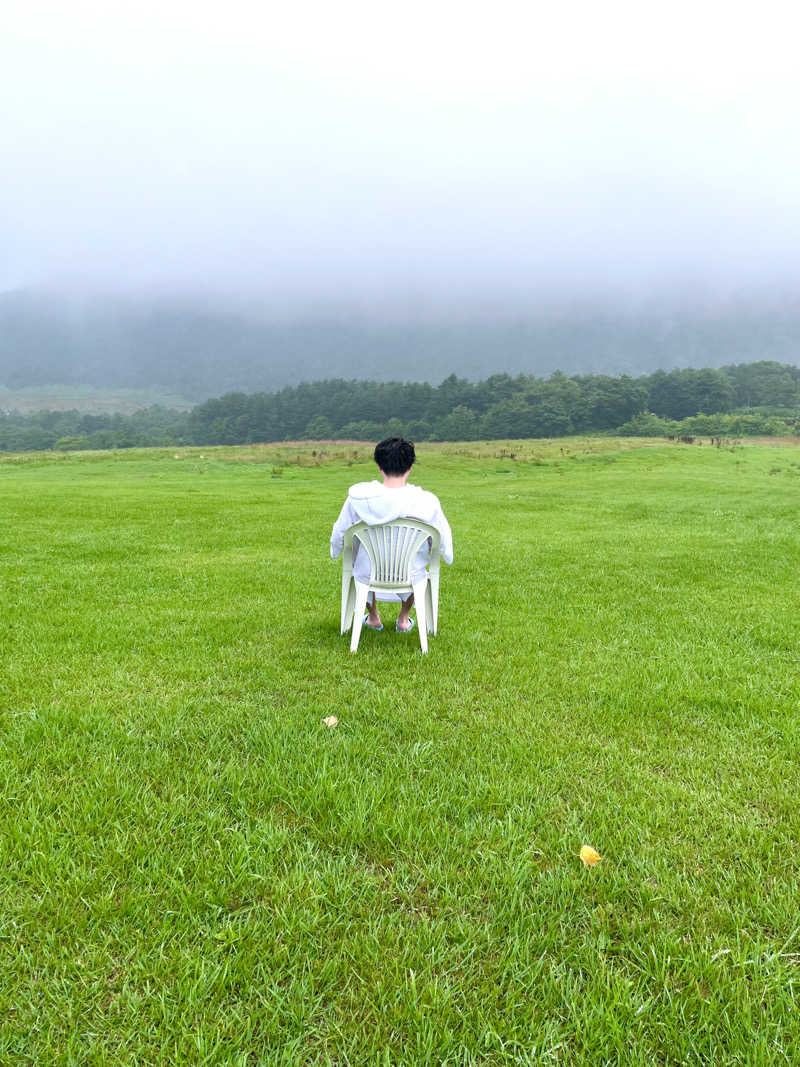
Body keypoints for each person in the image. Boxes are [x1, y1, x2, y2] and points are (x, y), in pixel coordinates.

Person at [330, 437, 453, 632]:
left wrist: (335, 552)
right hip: (411, 574)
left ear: (379, 466)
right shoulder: (427, 502)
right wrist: (447, 556)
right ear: (410, 467)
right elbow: (443, 540)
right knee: (419, 569)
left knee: (358, 562)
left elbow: (340, 533)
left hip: (367, 573)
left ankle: (373, 616)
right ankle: (404, 618)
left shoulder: (358, 499)